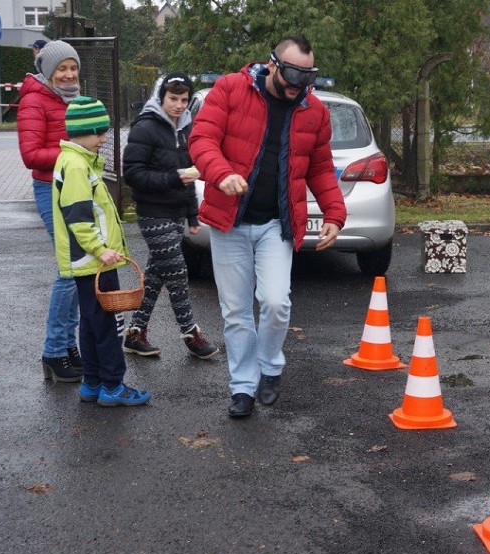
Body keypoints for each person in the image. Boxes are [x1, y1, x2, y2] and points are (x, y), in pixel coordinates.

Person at [189, 35, 346, 417]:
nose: (297, 87)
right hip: (231, 223)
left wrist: (334, 214)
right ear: (272, 64)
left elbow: (321, 168)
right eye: (292, 76)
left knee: (276, 302)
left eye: (306, 79)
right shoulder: (229, 89)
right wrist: (221, 173)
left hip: (277, 225)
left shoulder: (315, 112)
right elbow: (201, 139)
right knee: (236, 312)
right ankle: (242, 387)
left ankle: (270, 367)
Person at [52, 96, 151, 407]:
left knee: (93, 323)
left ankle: (92, 382)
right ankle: (113, 385)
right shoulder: (77, 165)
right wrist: (101, 249)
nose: (105, 138)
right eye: (100, 132)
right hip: (94, 260)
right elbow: (79, 217)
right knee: (108, 324)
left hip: (89, 262)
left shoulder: (74, 162)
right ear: (83, 132)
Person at [122, 72, 219, 360]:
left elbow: (187, 175)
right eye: (173, 99)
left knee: (155, 276)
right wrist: (171, 178)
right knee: (177, 273)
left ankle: (135, 333)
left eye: (184, 100)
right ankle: (191, 333)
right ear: (161, 97)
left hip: (176, 213)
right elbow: (133, 174)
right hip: (153, 213)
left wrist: (192, 216)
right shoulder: (145, 127)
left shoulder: (185, 128)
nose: (179, 105)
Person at [18, 40, 84, 383]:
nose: (69, 74)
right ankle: (54, 350)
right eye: (62, 69)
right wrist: (73, 153)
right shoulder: (34, 100)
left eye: (72, 67)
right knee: (69, 270)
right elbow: (30, 155)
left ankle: (68, 346)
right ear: (48, 71)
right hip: (50, 189)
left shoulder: (75, 99)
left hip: (78, 188)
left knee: (79, 268)